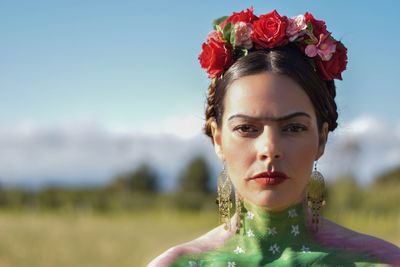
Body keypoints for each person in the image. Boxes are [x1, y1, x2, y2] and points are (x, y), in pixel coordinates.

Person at [149, 7, 400, 267]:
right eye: (247, 128)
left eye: (293, 128)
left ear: (322, 139)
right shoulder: (177, 265)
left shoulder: (382, 262)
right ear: (218, 138)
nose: (270, 148)